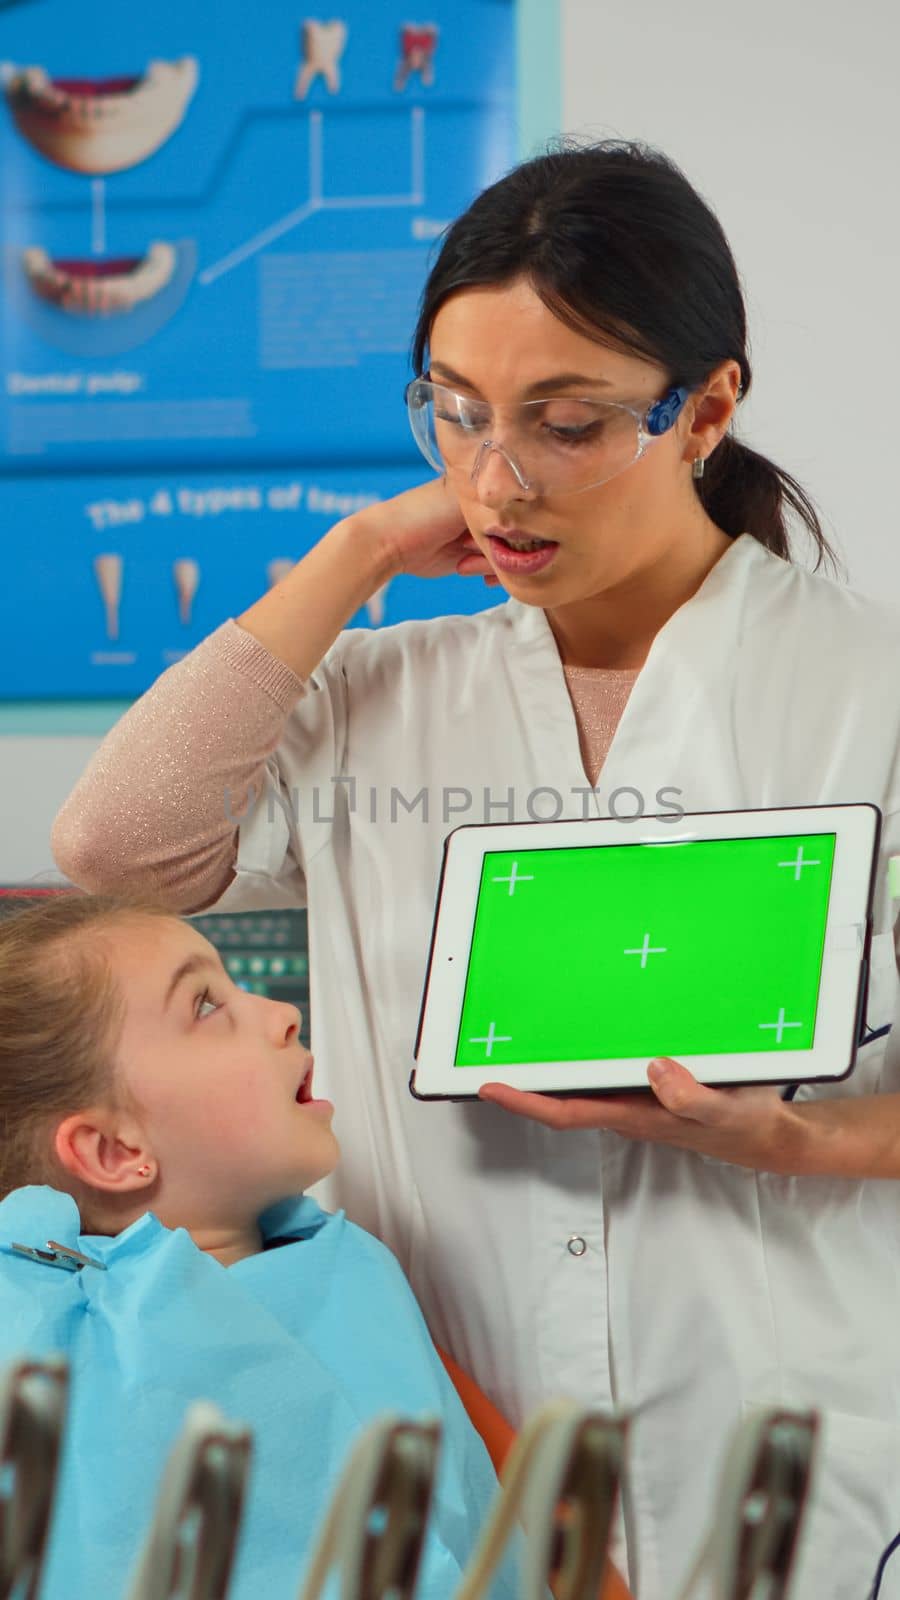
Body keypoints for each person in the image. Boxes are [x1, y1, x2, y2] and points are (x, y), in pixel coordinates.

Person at [53, 141, 900, 1598]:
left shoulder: (863, 688)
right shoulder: (380, 690)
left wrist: (803, 1146)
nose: (497, 483)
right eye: (454, 416)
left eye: (566, 425)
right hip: (447, 1464)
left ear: (706, 409)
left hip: (780, 1455)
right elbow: (116, 848)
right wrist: (363, 549)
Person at [0, 893, 519, 1600]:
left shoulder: (347, 1268)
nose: (284, 1013)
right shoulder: (96, 1384)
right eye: (206, 1006)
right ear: (116, 1150)